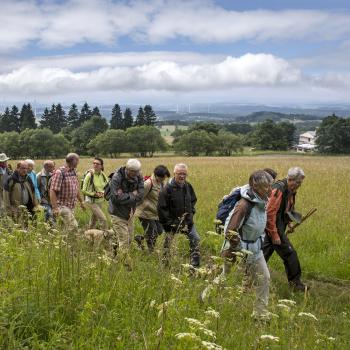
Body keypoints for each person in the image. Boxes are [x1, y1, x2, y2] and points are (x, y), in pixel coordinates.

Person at [221, 170, 273, 321]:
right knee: (226, 278)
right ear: (255, 187)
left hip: (255, 250)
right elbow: (230, 231)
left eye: (271, 186)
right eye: (266, 187)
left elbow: (260, 226)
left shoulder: (262, 202)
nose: (270, 190)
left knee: (264, 278)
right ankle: (205, 297)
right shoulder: (244, 205)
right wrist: (239, 250)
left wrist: (260, 241)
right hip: (236, 250)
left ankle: (260, 315)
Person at [263, 167, 308, 291]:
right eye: (298, 182)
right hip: (273, 228)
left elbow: (286, 209)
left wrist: (288, 223)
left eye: (300, 183)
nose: (299, 185)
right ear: (290, 179)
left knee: (263, 253)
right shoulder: (279, 189)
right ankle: (296, 285)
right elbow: (270, 213)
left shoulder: (290, 190)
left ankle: (250, 274)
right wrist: (275, 234)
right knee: (290, 253)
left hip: (277, 227)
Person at [158, 163, 200, 267]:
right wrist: (170, 223)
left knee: (195, 238)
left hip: (187, 222)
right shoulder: (166, 189)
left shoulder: (188, 186)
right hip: (171, 224)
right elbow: (162, 209)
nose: (182, 176)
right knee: (168, 244)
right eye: (179, 174)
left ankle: (194, 264)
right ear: (174, 173)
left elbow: (193, 200)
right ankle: (165, 264)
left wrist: (191, 212)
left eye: (184, 174)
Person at [108, 159, 144, 261]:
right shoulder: (116, 178)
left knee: (129, 239)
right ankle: (124, 264)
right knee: (124, 240)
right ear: (128, 170)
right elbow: (115, 199)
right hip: (117, 212)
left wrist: (124, 195)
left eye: (137, 171)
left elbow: (141, 195)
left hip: (130, 213)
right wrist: (133, 194)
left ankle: (113, 254)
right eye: (134, 172)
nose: (137, 174)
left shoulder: (139, 176)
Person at [134, 165, 170, 252]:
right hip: (145, 213)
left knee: (160, 231)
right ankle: (151, 251)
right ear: (157, 175)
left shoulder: (161, 183)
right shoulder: (148, 184)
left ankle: (140, 238)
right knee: (152, 233)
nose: (164, 179)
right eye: (163, 178)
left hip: (156, 213)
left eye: (165, 178)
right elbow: (139, 197)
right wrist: (133, 210)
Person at [50, 153, 85, 233]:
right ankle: (70, 241)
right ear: (74, 161)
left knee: (65, 227)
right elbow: (53, 191)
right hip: (62, 206)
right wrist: (55, 208)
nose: (78, 162)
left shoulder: (74, 171)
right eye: (78, 160)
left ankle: (63, 242)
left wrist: (81, 201)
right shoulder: (60, 172)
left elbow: (75, 188)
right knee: (74, 226)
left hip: (71, 205)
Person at [82, 157, 109, 230]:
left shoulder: (103, 175)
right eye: (94, 163)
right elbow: (83, 190)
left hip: (100, 201)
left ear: (101, 166)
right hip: (91, 201)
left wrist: (103, 192)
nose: (95, 165)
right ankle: (105, 236)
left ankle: (89, 236)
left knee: (94, 220)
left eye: (97, 164)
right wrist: (94, 194)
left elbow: (107, 186)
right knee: (103, 219)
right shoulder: (89, 175)